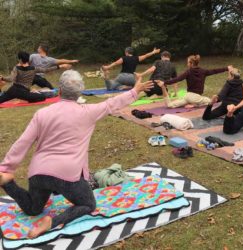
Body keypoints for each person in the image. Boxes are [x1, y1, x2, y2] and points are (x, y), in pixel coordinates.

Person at [0, 70, 153, 238]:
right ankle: (52, 222)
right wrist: (135, 90)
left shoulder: (42, 114)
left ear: (59, 91)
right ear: (79, 93)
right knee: (88, 204)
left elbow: (23, 142)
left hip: (39, 173)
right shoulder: (87, 112)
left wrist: (7, 166)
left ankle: (7, 182)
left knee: (33, 209)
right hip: (67, 175)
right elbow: (112, 104)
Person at [156, 55, 232, 108]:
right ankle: (196, 104)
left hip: (188, 96)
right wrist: (226, 68)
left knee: (170, 105)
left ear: (191, 63)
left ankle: (194, 104)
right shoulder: (203, 71)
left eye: (188, 62)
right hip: (195, 98)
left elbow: (177, 79)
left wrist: (164, 83)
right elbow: (215, 71)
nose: (187, 64)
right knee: (212, 102)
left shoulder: (188, 72)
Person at [0, 51, 70, 104]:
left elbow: (11, 79)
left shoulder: (16, 68)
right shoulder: (33, 68)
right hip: (24, 93)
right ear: (28, 59)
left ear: (20, 59)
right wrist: (60, 66)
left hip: (13, 90)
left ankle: (27, 98)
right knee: (42, 97)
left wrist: (2, 78)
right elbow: (46, 70)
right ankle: (28, 98)